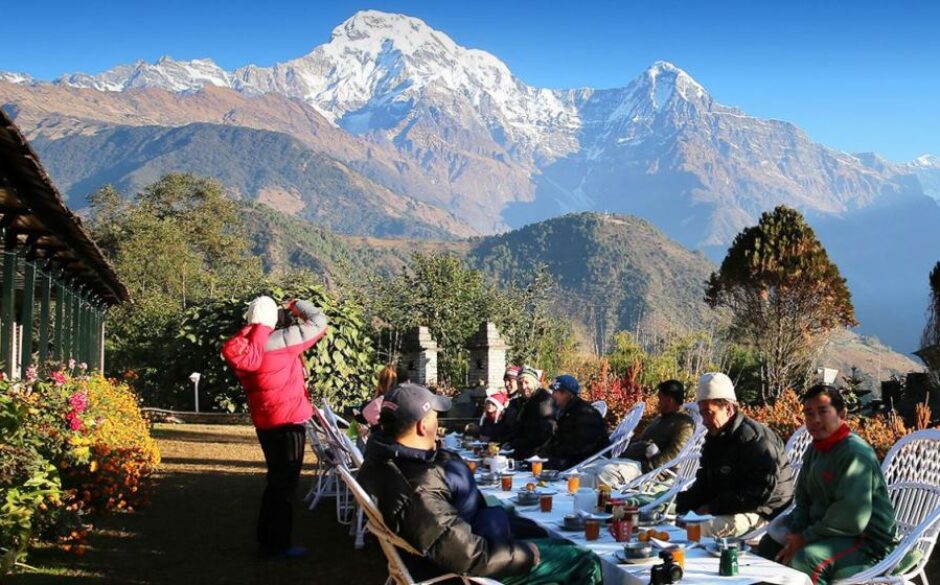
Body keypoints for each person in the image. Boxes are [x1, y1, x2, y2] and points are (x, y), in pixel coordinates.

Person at [357, 382, 602, 584]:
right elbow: (472, 556)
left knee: (544, 532)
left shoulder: (383, 460)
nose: (438, 424)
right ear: (422, 426)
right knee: (584, 558)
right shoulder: (417, 489)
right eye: (435, 417)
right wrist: (530, 555)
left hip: (459, 541)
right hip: (467, 572)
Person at [758, 385, 899, 585]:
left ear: (841, 414)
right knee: (769, 545)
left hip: (866, 541)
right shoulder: (814, 451)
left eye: (823, 412)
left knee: (807, 560)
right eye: (809, 413)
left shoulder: (854, 454)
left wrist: (805, 538)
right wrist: (796, 533)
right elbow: (803, 499)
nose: (815, 420)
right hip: (826, 532)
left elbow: (851, 517)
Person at [222, 295, 328, 558]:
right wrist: (295, 303)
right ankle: (279, 545)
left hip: (265, 422)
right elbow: (319, 322)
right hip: (289, 422)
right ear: (273, 318)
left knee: (275, 482)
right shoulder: (281, 342)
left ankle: (266, 539)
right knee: (286, 486)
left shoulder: (242, 347)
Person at [675, 372, 794, 538]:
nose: (704, 421)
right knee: (681, 521)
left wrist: (711, 508)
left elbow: (758, 494)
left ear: (729, 408)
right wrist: (682, 506)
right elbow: (705, 481)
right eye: (702, 414)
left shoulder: (757, 441)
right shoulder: (716, 438)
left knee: (698, 529)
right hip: (730, 507)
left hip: (766, 514)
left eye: (709, 413)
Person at [580, 379, 695, 488]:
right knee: (589, 468)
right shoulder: (661, 419)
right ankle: (569, 499)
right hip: (630, 463)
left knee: (605, 474)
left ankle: (588, 499)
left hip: (648, 471)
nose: (657, 403)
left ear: (669, 400)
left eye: (660, 398)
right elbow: (642, 440)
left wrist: (649, 467)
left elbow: (676, 455)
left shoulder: (684, 424)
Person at [537, 375, 609, 471]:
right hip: (573, 457)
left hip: (588, 462)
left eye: (556, 392)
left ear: (568, 394)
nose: (553, 395)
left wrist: (551, 452)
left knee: (540, 463)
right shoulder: (568, 410)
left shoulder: (584, 414)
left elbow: (581, 447)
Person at [505, 366, 554, 460]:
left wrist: (516, 444)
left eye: (527, 382)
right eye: (520, 383)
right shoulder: (525, 401)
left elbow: (543, 434)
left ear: (535, 383)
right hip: (525, 451)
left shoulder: (543, 402)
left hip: (538, 456)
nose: (523, 387)